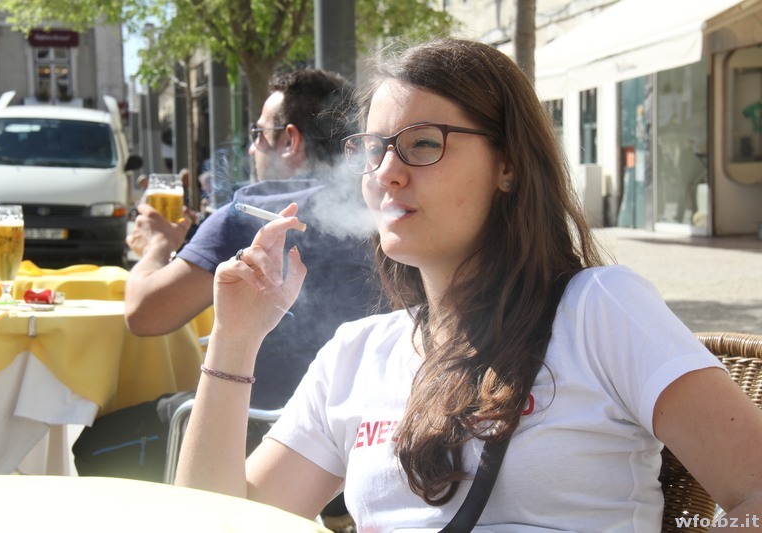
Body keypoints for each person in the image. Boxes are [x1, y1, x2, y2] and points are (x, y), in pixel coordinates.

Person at [174, 37, 762, 531]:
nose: (387, 173)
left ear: (507, 164)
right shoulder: (355, 355)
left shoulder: (598, 310)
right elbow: (220, 523)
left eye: (423, 144)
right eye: (373, 150)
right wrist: (235, 340)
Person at [124, 69, 379, 412]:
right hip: (364, 425)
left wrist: (157, 246)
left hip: (253, 425)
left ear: (290, 140)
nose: (250, 148)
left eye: (258, 134)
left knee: (98, 436)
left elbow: (144, 315)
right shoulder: (379, 210)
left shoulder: (250, 213)